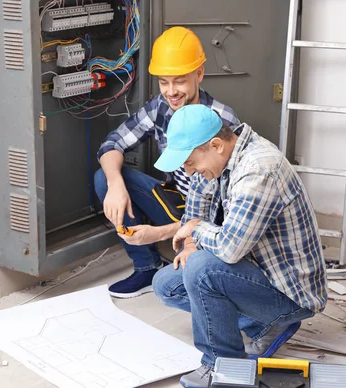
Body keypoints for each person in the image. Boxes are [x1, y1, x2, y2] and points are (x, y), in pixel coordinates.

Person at [151, 104, 327, 388]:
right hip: (254, 268)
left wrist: (195, 229)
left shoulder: (259, 169)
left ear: (216, 145)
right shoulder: (214, 162)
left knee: (201, 270)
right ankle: (260, 325)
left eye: (190, 162)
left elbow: (228, 249)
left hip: (290, 292)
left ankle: (224, 366)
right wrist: (192, 241)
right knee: (167, 284)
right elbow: (195, 211)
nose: (188, 170)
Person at [95, 27, 241, 298]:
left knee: (184, 285)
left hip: (212, 216)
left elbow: (226, 210)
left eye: (179, 81)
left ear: (199, 74)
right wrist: (116, 185)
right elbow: (112, 144)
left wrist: (163, 234)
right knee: (105, 176)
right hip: (177, 202)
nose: (171, 91)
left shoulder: (222, 120)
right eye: (164, 82)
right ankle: (147, 267)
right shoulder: (159, 107)